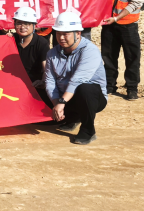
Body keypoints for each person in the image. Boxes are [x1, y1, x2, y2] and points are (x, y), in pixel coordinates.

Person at [44, 11, 108, 145]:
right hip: (65, 97)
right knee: (39, 90)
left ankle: (88, 131)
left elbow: (77, 80)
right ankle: (72, 118)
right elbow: (50, 80)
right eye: (58, 33)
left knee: (85, 89)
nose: (61, 38)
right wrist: (56, 104)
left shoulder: (90, 50)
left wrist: (61, 103)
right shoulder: (52, 53)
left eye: (65, 34)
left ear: (78, 33)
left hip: (90, 98)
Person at [12, 7, 51, 107]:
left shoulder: (41, 43)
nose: (22, 27)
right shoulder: (10, 40)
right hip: (13, 83)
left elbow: (46, 68)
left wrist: (43, 82)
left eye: (27, 24)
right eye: (19, 23)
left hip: (34, 83)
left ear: (34, 25)